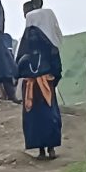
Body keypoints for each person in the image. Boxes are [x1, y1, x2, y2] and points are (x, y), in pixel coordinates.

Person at [17, 9, 64, 160]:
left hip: (45, 87)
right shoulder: (25, 53)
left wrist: (49, 81)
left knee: (49, 117)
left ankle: (51, 147)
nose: (33, 36)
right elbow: (17, 71)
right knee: (34, 121)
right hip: (31, 89)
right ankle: (41, 149)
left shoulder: (50, 50)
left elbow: (57, 69)